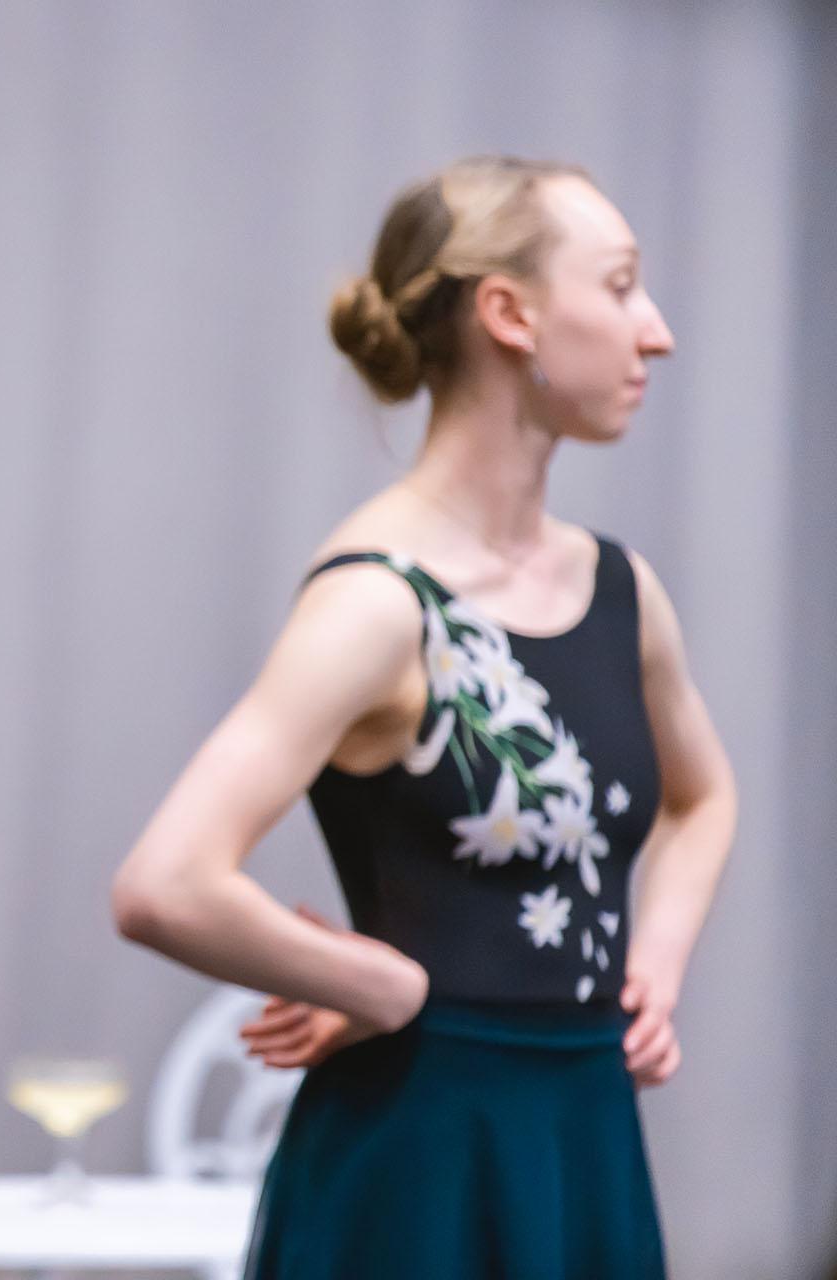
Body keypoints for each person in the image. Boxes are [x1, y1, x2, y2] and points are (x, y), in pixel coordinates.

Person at [111, 156, 736, 1278]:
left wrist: (659, 959)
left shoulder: (623, 593)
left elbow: (705, 795)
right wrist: (383, 982)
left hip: (586, 1138)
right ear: (510, 313)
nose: (658, 333)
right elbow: (165, 883)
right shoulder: (376, 603)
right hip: (419, 1164)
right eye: (620, 286)